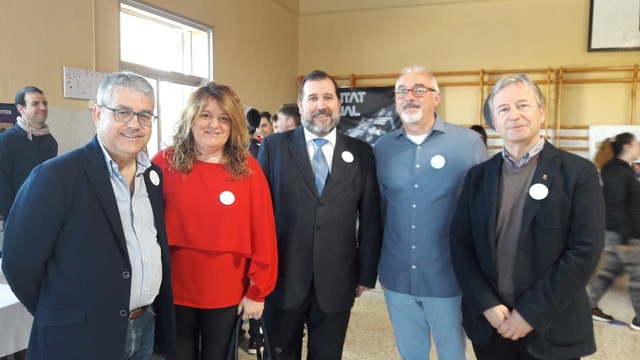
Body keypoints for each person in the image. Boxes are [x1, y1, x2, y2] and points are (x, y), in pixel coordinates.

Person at [1, 71, 177, 359]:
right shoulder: (56, 177)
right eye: (123, 112)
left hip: (144, 326)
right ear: (97, 114)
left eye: (145, 115)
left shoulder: (153, 177)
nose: (135, 124)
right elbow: (19, 263)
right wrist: (62, 313)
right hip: (83, 335)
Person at [450, 74, 605, 360]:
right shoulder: (478, 177)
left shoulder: (578, 173)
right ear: (494, 122)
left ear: (542, 112)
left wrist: (529, 313)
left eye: (523, 105)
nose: (514, 115)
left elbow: (584, 251)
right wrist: (485, 303)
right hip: (492, 325)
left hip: (552, 327)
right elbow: (461, 243)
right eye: (504, 109)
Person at [258, 70, 382, 360]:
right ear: (300, 105)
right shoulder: (274, 148)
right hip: (282, 277)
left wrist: (366, 272)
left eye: (327, 97)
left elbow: (371, 218)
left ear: (339, 104)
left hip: (338, 279)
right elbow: (259, 214)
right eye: (312, 98)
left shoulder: (361, 153)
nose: (321, 105)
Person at [152, 81, 278, 359]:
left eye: (224, 118)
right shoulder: (163, 163)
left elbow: (264, 233)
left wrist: (258, 291)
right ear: (190, 118)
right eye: (205, 115)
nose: (214, 125)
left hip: (226, 294)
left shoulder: (248, 169)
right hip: (173, 291)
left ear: (234, 124)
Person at [374, 66, 488, 360]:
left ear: (436, 97)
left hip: (449, 277)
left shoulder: (468, 144)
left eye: (419, 90)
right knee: (411, 353)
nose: (410, 97)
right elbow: (378, 211)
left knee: (452, 353)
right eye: (402, 91)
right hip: (397, 276)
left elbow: (484, 212)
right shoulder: (382, 148)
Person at [588, 132, 640, 330]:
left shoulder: (622, 169)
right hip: (623, 234)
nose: (639, 147)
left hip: (622, 233)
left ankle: (590, 306)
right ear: (626, 147)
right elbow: (615, 205)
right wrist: (625, 238)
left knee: (609, 272)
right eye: (636, 144)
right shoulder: (617, 171)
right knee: (638, 278)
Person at [0, 86, 57, 220]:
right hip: (18, 217)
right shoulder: (7, 140)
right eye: (35, 103)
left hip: (47, 215)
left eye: (45, 103)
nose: (43, 108)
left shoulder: (50, 141)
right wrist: (12, 217)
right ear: (21, 109)